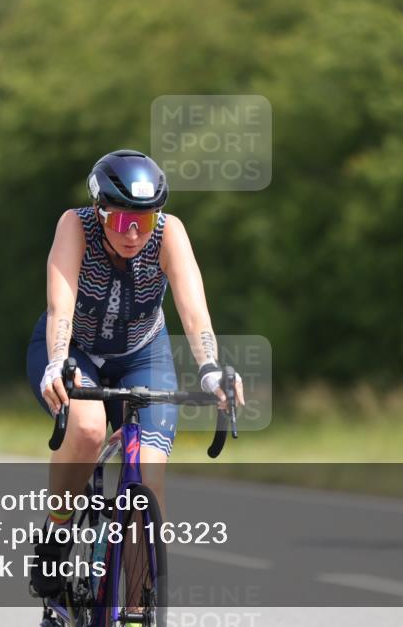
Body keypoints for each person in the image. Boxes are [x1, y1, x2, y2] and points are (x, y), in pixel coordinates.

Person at [25, 150, 244, 603]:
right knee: (88, 430)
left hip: (143, 353)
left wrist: (209, 369)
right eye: (123, 220)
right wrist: (58, 361)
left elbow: (194, 311)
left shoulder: (170, 233)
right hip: (74, 350)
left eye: (144, 221)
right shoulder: (75, 225)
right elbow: (59, 306)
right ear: (100, 210)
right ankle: (58, 531)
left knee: (148, 470)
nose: (133, 233)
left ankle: (139, 606)